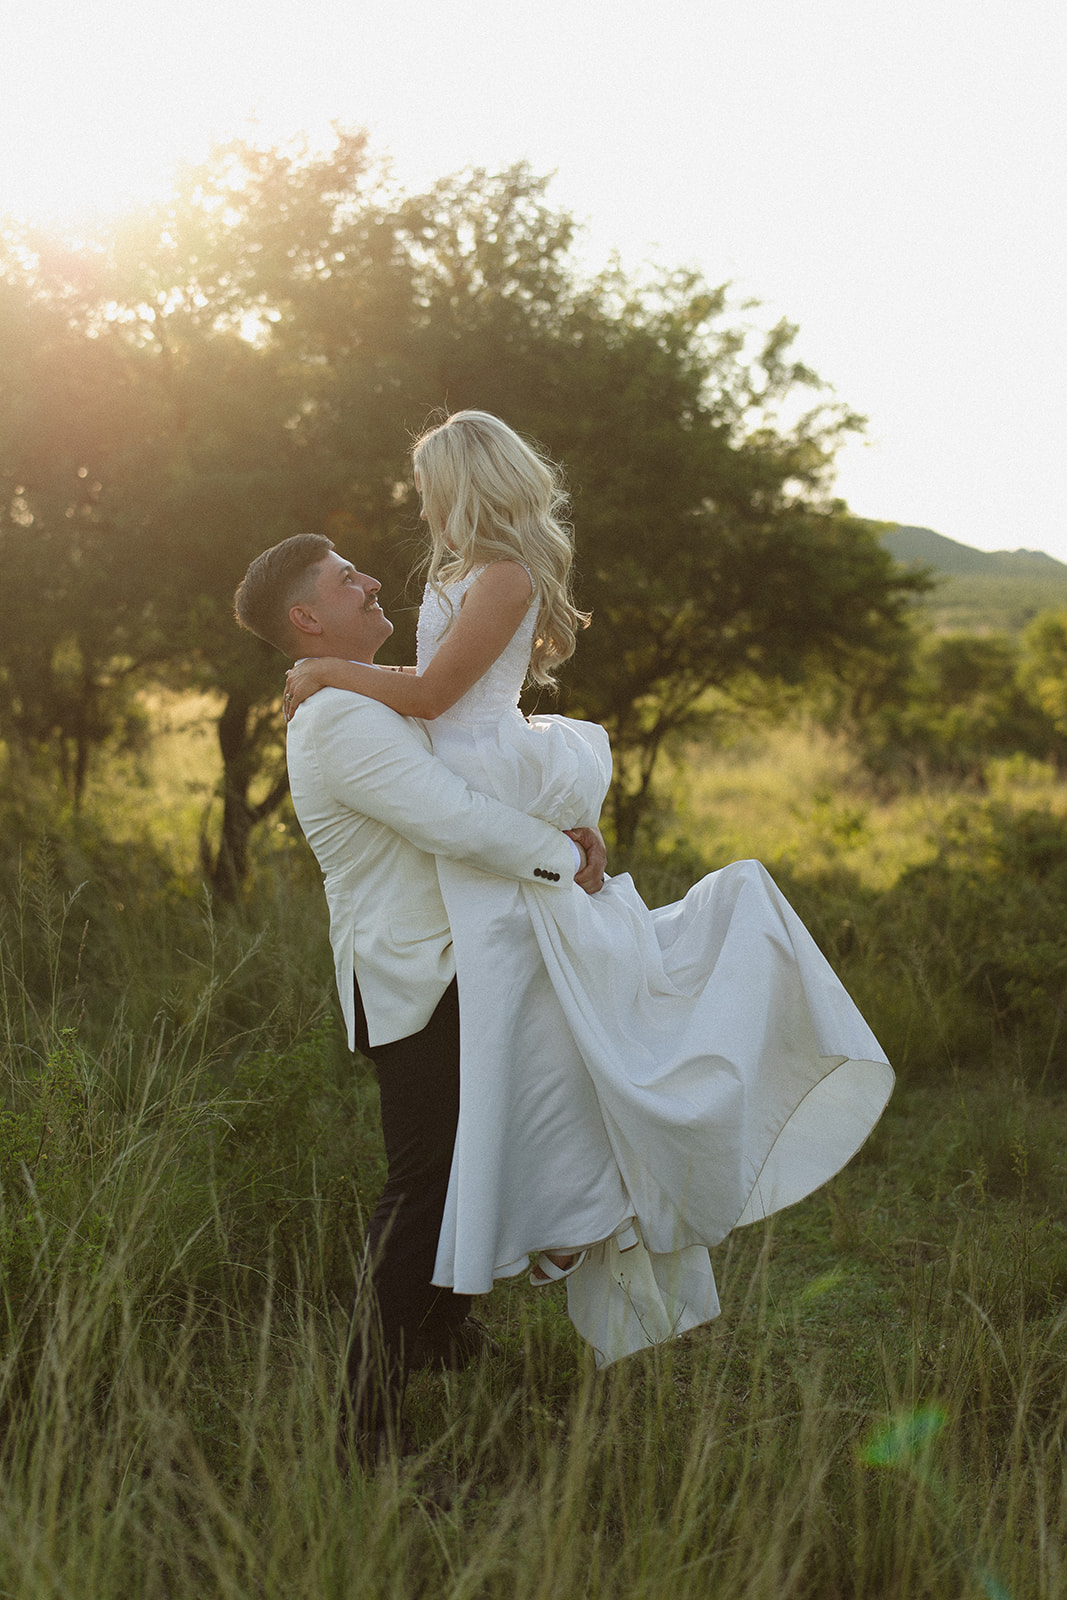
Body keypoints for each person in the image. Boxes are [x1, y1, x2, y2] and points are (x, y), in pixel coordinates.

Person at [282, 411, 895, 1367]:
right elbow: (431, 694)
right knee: (485, 1109)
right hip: (458, 850)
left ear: (463, 483)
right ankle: (507, 1266)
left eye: (428, 484)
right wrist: (349, 675)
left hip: (480, 782)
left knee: (546, 1053)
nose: (419, 504)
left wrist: (334, 669)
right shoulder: (448, 584)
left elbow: (440, 695)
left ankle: (550, 1233)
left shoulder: (503, 576)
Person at [233, 532, 612, 1462]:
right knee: (424, 1184)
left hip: (458, 970)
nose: (368, 580)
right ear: (304, 618)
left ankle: (445, 1341)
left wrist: (570, 830)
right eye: (342, 578)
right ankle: (364, 1421)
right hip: (412, 981)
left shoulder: (361, 691)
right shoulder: (335, 721)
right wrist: (565, 859)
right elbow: (451, 820)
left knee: (471, 1160)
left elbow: (460, 736)